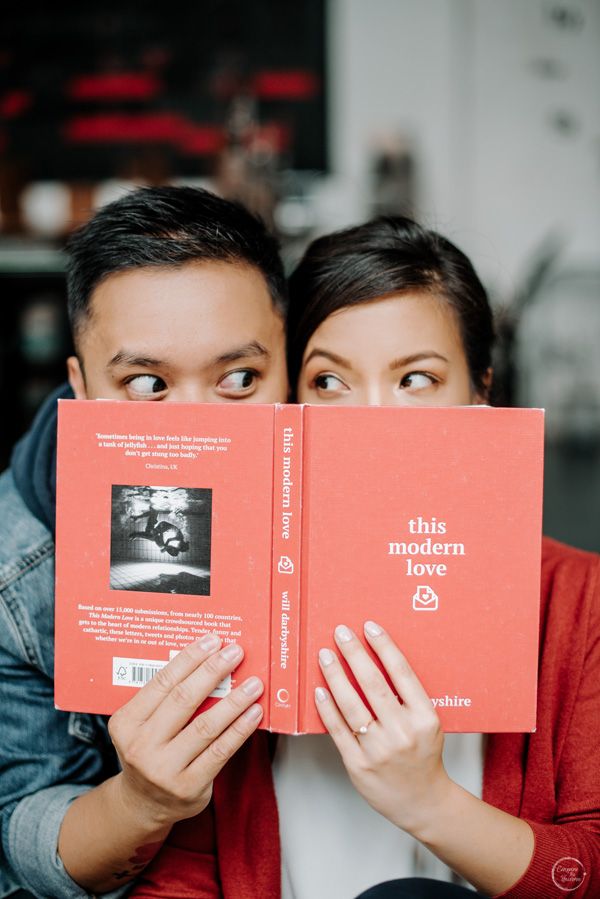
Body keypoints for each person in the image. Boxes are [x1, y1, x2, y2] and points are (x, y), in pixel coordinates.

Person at [132, 217, 600, 898]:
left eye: (416, 378)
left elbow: (585, 870)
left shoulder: (578, 599)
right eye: (328, 382)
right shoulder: (243, 596)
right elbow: (177, 878)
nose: (373, 419)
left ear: (480, 394)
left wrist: (431, 801)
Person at [0, 185, 289, 898]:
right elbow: (18, 828)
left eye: (241, 378)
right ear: (81, 388)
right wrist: (140, 802)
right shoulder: (18, 568)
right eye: (147, 383)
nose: (198, 428)